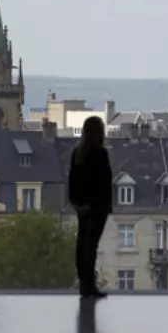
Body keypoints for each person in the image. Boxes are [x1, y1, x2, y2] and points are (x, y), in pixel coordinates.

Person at [67, 116, 113, 299]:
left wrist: (77, 204)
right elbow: (102, 183)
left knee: (82, 244)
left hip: (83, 207)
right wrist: (103, 204)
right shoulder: (100, 154)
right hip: (97, 207)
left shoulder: (77, 153)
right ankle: (89, 285)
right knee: (90, 245)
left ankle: (84, 283)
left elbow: (73, 181)